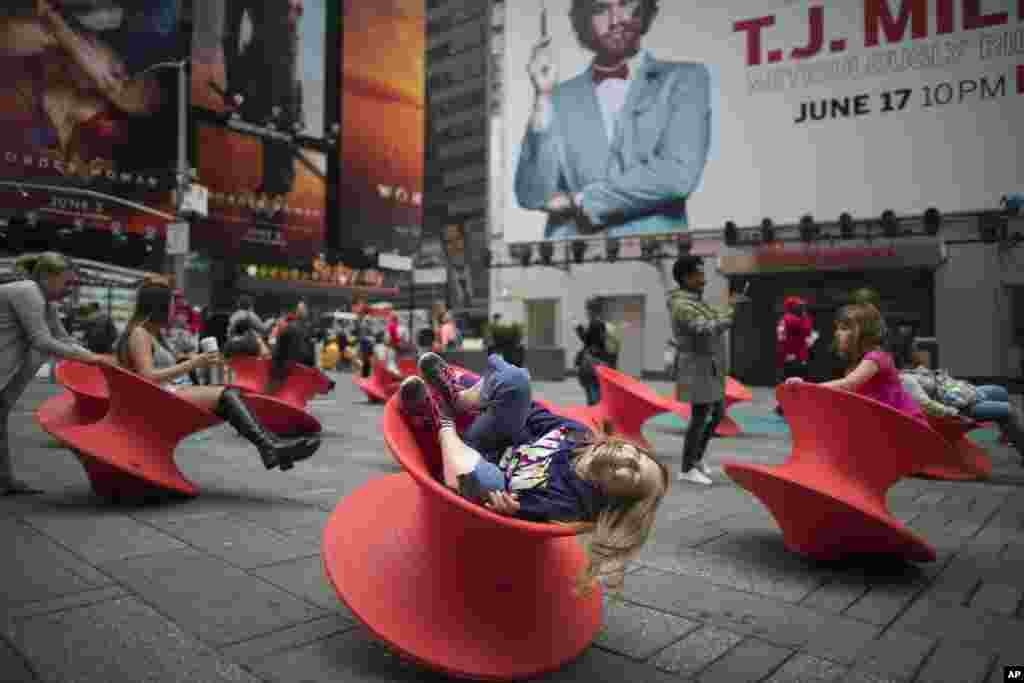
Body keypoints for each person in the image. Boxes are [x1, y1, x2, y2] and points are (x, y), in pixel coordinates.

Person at [399, 352, 669, 595]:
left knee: (489, 484)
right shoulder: (579, 436)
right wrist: (501, 395)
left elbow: (522, 509)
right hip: (491, 438)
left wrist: (507, 511)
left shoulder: (572, 503)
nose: (626, 459)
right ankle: (458, 398)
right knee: (516, 381)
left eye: (633, 473)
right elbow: (529, 412)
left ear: (619, 499)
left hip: (475, 466)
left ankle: (439, 419)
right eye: (634, 455)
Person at [514, 0, 710, 240]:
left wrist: (581, 200)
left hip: (657, 265)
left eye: (625, 3)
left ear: (644, 8)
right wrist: (543, 97)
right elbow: (532, 195)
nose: (615, 19)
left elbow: (677, 175)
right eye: (600, 9)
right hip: (571, 267)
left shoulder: (685, 80)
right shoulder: (558, 97)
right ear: (584, 19)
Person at [115, 278, 320, 471]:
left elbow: (156, 365)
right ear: (158, 307)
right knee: (226, 395)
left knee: (228, 396)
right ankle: (271, 447)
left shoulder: (151, 334)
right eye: (171, 305)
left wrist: (187, 358)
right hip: (158, 398)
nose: (173, 311)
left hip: (168, 391)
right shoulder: (140, 334)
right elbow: (148, 375)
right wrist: (193, 363)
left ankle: (271, 446)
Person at [1, 252, 114, 494]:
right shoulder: (27, 291)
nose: (69, 290)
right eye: (66, 282)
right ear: (45, 277)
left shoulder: (46, 301)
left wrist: (95, 360)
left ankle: (5, 479)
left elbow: (63, 338)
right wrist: (91, 358)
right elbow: (41, 340)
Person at [659, 255, 743, 485]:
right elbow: (706, 328)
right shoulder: (682, 304)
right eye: (699, 273)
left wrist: (727, 309)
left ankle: (696, 458)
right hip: (696, 365)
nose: (704, 279)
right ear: (686, 277)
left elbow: (713, 319)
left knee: (716, 413)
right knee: (699, 417)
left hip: (708, 365)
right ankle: (686, 468)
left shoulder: (695, 300)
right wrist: (731, 311)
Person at [786, 303, 926, 425]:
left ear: (863, 334)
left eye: (844, 328)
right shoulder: (857, 364)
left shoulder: (875, 358)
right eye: (838, 328)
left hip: (907, 425)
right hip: (885, 424)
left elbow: (847, 384)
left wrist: (805, 387)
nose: (837, 333)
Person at [900, 347, 1024, 460]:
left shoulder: (915, 371)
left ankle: (1011, 434)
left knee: (1000, 391)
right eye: (916, 350)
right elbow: (926, 404)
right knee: (1008, 411)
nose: (921, 352)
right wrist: (954, 413)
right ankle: (1016, 437)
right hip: (962, 407)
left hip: (963, 393)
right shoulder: (906, 380)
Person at [774, 296, 818, 415]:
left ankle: (783, 406)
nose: (801, 307)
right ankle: (787, 406)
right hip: (795, 356)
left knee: (787, 380)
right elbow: (808, 330)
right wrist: (805, 316)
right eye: (799, 306)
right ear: (792, 307)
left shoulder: (784, 318)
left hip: (788, 355)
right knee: (796, 381)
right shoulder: (792, 319)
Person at [574, 298, 616, 406]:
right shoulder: (602, 324)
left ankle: (597, 418)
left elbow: (589, 342)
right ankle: (599, 417)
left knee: (594, 398)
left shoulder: (595, 324)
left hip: (593, 366)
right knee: (597, 395)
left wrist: (579, 329)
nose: (586, 313)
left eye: (587, 310)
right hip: (599, 364)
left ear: (591, 310)